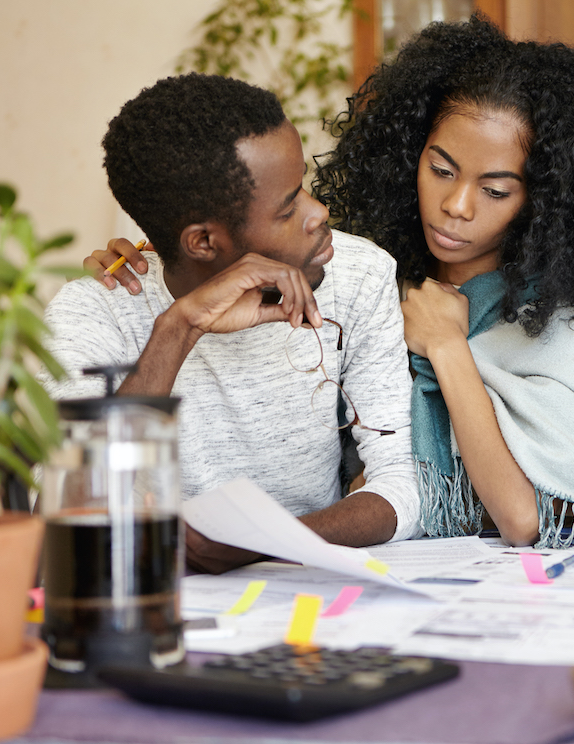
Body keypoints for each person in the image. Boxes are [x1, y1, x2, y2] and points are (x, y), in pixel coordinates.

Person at [91, 17, 574, 550]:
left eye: (495, 189)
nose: (457, 205)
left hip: (519, 582)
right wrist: (165, 258)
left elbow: (522, 519)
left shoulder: (568, 313)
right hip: (376, 566)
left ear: (544, 197)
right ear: (408, 153)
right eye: (440, 169)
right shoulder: (369, 275)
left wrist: (447, 347)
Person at [41, 73, 421, 574]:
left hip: (308, 590)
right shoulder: (94, 310)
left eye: (303, 187)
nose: (320, 212)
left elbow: (401, 485)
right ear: (202, 243)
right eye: (288, 209)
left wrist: (265, 543)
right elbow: (74, 509)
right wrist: (179, 328)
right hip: (154, 603)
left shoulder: (359, 275)